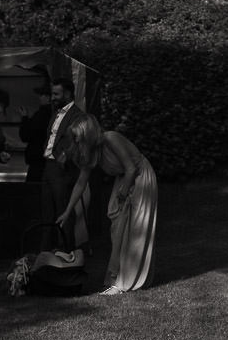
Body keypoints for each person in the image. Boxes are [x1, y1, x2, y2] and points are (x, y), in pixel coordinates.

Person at [57, 114, 156, 294]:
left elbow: (131, 168)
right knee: (117, 228)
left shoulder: (111, 138)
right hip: (124, 179)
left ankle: (126, 280)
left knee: (135, 228)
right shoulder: (91, 152)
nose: (76, 140)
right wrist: (67, 211)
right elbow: (80, 183)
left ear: (87, 133)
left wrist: (123, 194)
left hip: (141, 178)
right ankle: (116, 278)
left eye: (78, 135)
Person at [40, 78, 87, 249]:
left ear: (67, 93)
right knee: (47, 211)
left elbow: (80, 141)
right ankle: (46, 251)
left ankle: (66, 251)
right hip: (48, 166)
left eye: (56, 94)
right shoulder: (56, 112)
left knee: (63, 210)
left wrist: (67, 153)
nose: (53, 97)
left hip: (62, 169)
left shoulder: (78, 115)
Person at [17, 85, 53, 184]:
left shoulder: (42, 114)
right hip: (48, 160)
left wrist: (24, 118)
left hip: (38, 160)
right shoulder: (56, 113)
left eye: (42, 95)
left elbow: (26, 135)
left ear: (48, 98)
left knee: (34, 190)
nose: (40, 97)